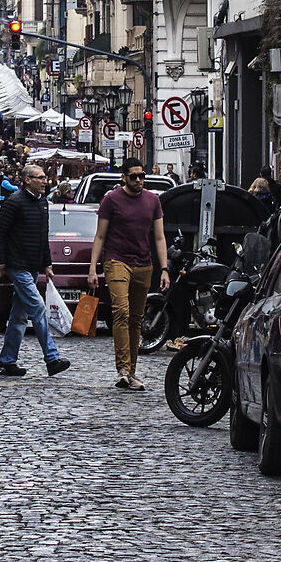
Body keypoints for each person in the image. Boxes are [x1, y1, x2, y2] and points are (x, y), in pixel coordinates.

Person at [88, 159, 169, 392]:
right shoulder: (111, 200)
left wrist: (164, 269)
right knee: (121, 312)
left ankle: (131, 372)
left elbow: (159, 237)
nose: (139, 180)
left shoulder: (153, 201)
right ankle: (123, 369)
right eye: (134, 176)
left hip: (144, 264)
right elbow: (100, 236)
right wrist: (93, 268)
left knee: (136, 318)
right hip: (116, 261)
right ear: (123, 177)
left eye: (142, 176)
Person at [0, 161, 69, 378]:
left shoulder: (42, 203)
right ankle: (51, 358)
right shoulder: (14, 202)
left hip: (33, 266)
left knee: (19, 316)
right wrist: (2, 261)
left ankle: (8, 360)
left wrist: (47, 264)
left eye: (44, 177)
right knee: (38, 308)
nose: (45, 181)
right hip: (18, 265)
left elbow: (43, 236)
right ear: (27, 180)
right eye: (40, 178)